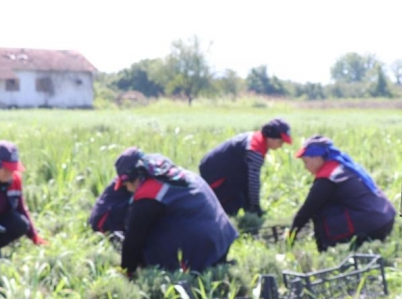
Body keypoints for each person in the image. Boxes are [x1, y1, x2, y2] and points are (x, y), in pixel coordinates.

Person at [114, 147, 237, 276]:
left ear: (136, 177)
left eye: (126, 184)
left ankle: (189, 271)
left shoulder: (150, 193)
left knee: (147, 244)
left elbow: (133, 241)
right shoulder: (170, 172)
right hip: (223, 238)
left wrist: (127, 272)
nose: (127, 189)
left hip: (205, 246)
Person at [289, 135, 396, 252]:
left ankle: (326, 253)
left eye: (306, 161)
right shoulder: (342, 165)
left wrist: (290, 236)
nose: (305, 167)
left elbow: (307, 210)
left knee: (320, 214)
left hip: (372, 225)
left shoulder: (327, 178)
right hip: (385, 218)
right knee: (327, 205)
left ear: (318, 158)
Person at [198, 118, 292, 217]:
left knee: (242, 193)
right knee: (233, 203)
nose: (281, 146)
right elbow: (253, 181)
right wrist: (255, 206)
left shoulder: (257, 138)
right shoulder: (255, 149)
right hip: (216, 175)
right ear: (272, 137)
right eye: (281, 142)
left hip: (218, 169)